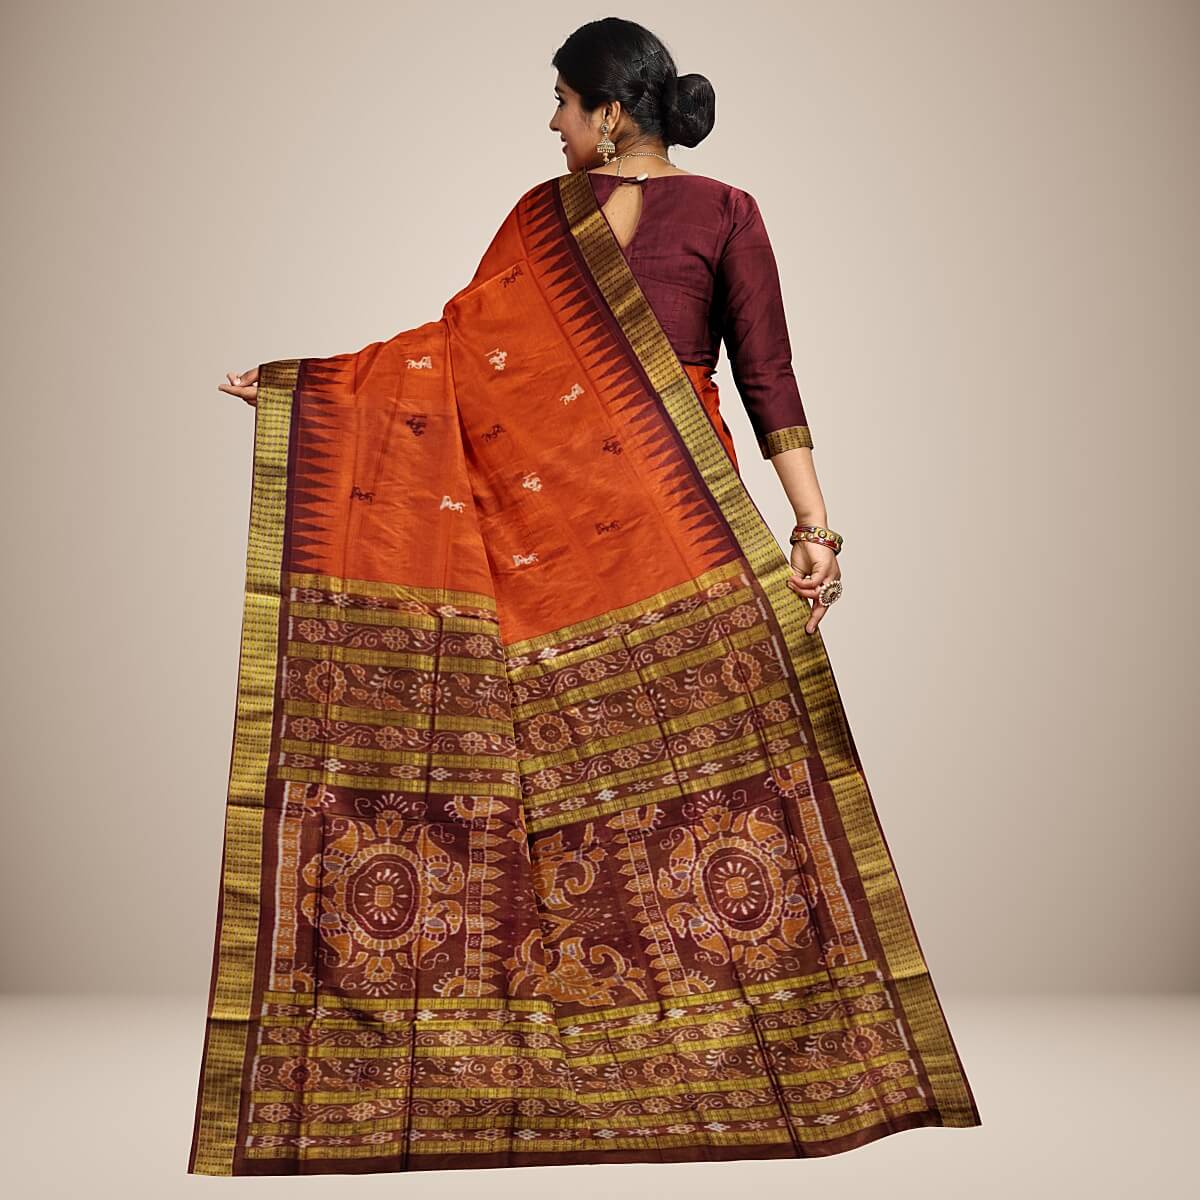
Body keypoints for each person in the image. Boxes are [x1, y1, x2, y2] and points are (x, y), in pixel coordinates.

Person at [195, 16, 980, 1178]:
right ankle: (660, 1060)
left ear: (609, 113)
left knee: (667, 798)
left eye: (560, 102)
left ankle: (699, 1057)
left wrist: (317, 393)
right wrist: (812, 527)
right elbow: (496, 358)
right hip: (628, 540)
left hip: (632, 541)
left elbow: (487, 363)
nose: (550, 124)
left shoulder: (651, 213)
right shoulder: (624, 215)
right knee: (659, 795)